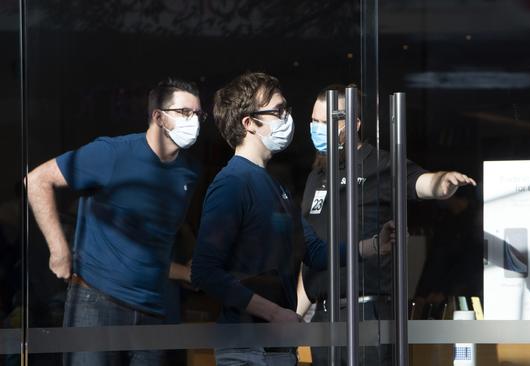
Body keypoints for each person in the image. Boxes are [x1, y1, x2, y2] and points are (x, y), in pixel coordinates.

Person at [191, 72, 394, 366]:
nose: (287, 117)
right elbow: (205, 271)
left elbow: (313, 251)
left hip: (277, 346)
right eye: (277, 111)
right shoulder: (232, 184)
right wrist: (273, 313)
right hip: (248, 348)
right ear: (249, 123)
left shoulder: (275, 186)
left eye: (285, 109)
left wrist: (372, 246)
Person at [26, 77, 204, 366]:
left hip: (153, 309)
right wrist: (59, 250)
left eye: (198, 114)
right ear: (158, 117)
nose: (194, 121)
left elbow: (152, 245)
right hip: (96, 304)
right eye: (185, 112)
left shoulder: (189, 173)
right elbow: (37, 180)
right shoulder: (112, 153)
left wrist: (185, 273)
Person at [301, 84, 477, 365]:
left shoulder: (378, 165)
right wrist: (292, 316)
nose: (318, 128)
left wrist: (441, 182)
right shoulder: (318, 176)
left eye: (327, 121)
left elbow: (419, 182)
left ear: (355, 123)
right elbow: (310, 253)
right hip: (324, 316)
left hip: (366, 314)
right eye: (315, 120)